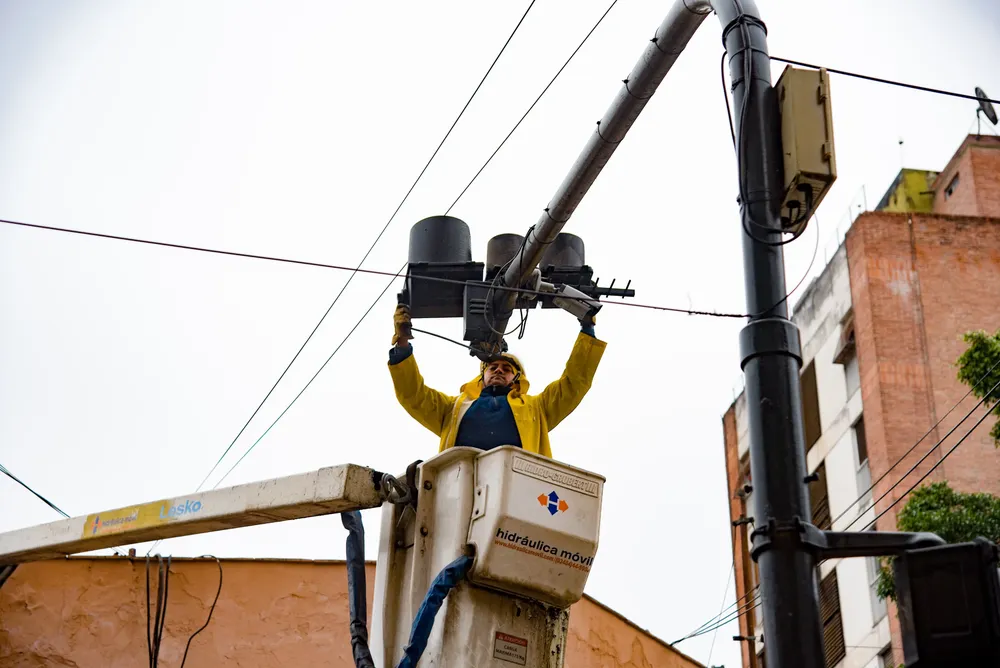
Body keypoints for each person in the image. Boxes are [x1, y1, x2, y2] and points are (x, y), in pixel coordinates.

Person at [387, 304, 606, 459]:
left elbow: (574, 383)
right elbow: (413, 394)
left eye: (507, 369)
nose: (499, 370)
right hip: (460, 493)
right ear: (481, 376)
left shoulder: (537, 409)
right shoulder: (451, 409)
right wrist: (403, 343)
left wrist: (587, 329)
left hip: (514, 492)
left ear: (516, 380)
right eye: (493, 367)